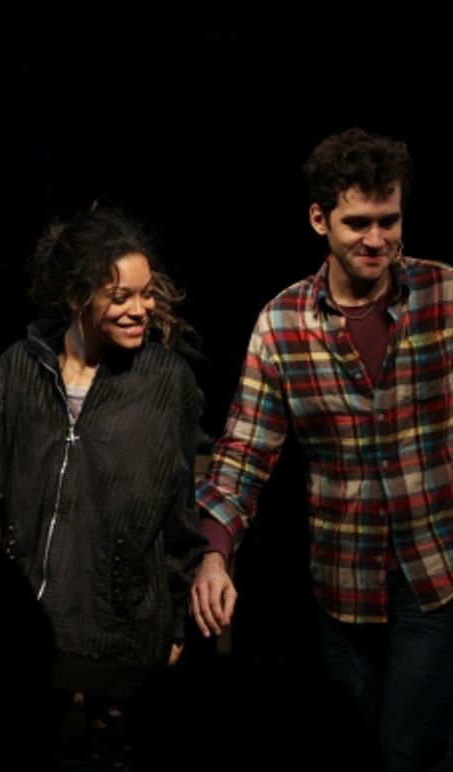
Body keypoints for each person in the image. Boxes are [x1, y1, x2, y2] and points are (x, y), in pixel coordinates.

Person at [191, 128, 453, 772]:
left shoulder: (443, 296)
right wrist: (214, 555)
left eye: (388, 221)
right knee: (350, 750)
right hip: (343, 576)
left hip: (436, 569)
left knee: (405, 752)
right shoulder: (283, 323)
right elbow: (244, 450)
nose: (376, 239)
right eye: (357, 222)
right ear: (319, 219)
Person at [0, 207, 204, 765]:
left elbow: (178, 513)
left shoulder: (168, 382)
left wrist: (176, 624)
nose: (140, 309)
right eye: (120, 296)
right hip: (28, 634)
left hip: (122, 634)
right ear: (77, 296)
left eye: (146, 294)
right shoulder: (17, 371)